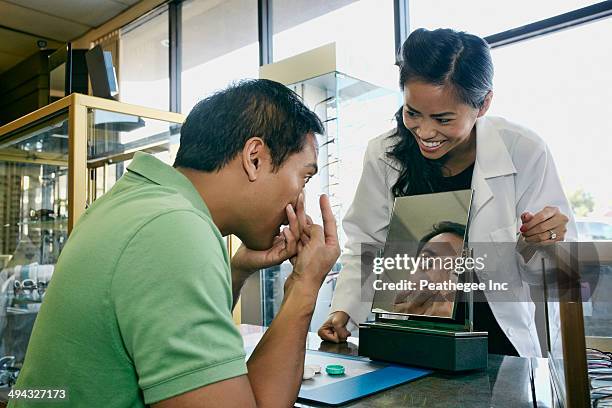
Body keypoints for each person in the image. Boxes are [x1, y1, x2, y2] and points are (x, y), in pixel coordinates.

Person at [11, 79, 340, 408]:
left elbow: (173, 347)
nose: (301, 200)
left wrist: (237, 270)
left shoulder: (139, 202)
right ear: (254, 158)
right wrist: (304, 285)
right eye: (304, 177)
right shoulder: (173, 229)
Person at [318, 28, 577, 357]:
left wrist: (543, 241)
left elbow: (556, 273)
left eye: (443, 118)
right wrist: (343, 312)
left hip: (496, 346)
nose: (425, 133)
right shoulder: (384, 154)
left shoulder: (523, 151)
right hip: (409, 339)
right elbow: (365, 247)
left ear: (483, 104)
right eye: (412, 113)